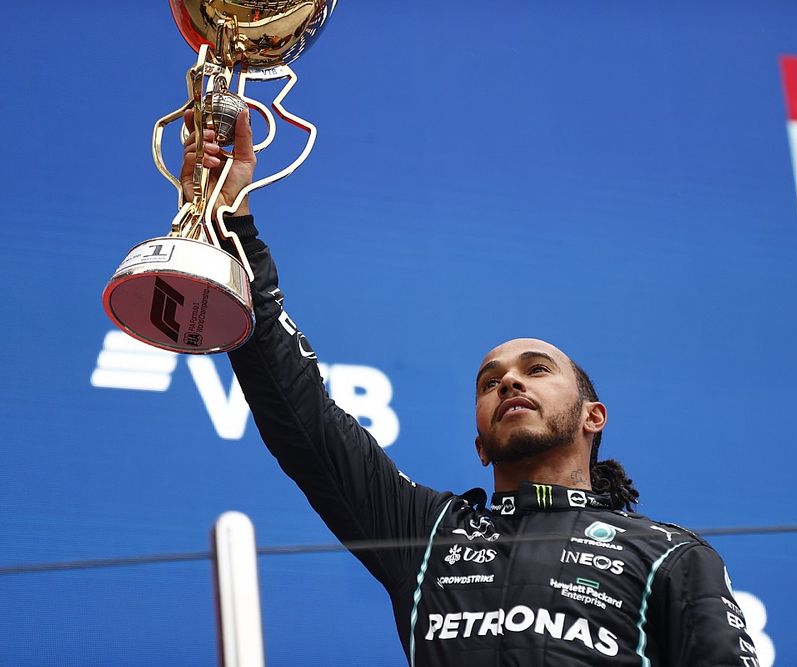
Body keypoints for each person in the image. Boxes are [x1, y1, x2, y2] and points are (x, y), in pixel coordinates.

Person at [185, 110, 759, 665]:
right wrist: (229, 220)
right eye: (489, 382)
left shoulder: (669, 555)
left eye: (537, 370)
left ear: (593, 417)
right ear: (480, 444)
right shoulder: (426, 534)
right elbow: (300, 415)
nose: (508, 379)